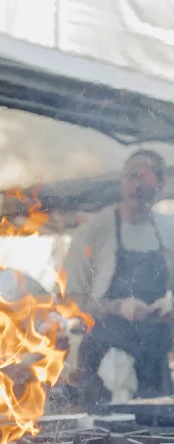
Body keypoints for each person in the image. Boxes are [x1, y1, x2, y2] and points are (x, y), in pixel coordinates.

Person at [64, 149, 174, 405]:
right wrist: (117, 307)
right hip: (100, 360)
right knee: (99, 437)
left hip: (152, 358)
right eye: (133, 177)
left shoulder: (169, 230)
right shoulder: (93, 232)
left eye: (146, 179)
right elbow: (71, 298)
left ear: (160, 185)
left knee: (154, 434)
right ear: (122, 181)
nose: (138, 186)